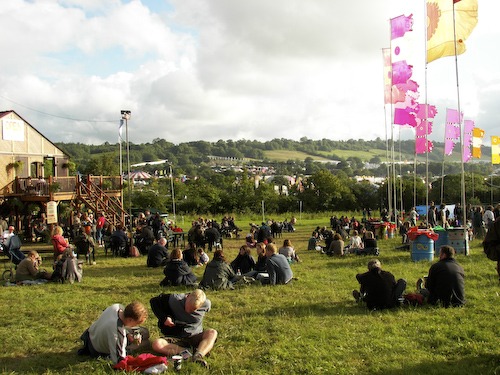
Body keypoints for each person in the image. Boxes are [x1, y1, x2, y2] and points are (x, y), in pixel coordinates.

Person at [150, 290, 218, 369]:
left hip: (195, 336)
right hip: (175, 339)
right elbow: (154, 301)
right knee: (157, 344)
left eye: (193, 309)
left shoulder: (206, 304)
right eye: (187, 307)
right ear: (187, 296)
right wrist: (164, 318)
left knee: (212, 332)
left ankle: (198, 355)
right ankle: (190, 353)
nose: (188, 311)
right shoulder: (175, 300)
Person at [78, 301, 150, 364]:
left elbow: (119, 324)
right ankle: (129, 347)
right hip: (96, 349)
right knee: (145, 343)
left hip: (91, 334)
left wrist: (128, 334)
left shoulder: (117, 307)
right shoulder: (118, 333)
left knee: (144, 332)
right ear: (130, 320)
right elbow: (120, 361)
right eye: (136, 323)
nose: (137, 325)